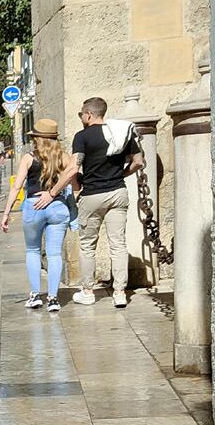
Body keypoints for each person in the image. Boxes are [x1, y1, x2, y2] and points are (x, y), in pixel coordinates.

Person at [47, 96, 144, 308]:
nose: (81, 117)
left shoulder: (82, 136)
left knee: (88, 245)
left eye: (81, 114)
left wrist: (53, 191)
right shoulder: (120, 133)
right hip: (118, 192)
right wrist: (120, 175)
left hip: (92, 195)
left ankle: (88, 291)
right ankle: (120, 293)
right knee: (118, 244)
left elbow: (73, 167)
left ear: (89, 114)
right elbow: (138, 162)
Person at [1, 119, 76, 312]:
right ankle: (53, 298)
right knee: (54, 253)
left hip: (34, 205)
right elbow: (75, 184)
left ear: (37, 139)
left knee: (33, 250)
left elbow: (16, 186)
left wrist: (6, 212)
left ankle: (35, 295)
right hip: (57, 206)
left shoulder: (28, 158)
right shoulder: (64, 158)